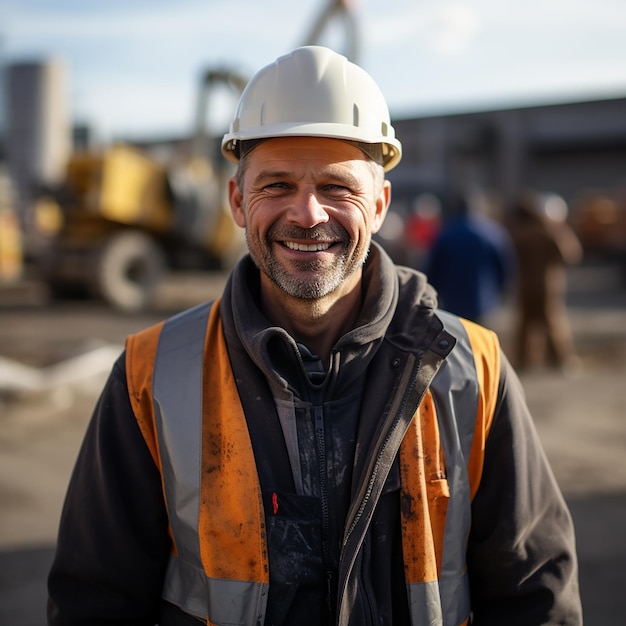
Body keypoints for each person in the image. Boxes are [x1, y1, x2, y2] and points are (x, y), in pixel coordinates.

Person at [47, 46, 582, 626]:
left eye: (337, 187)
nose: (308, 213)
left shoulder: (471, 368)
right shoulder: (150, 375)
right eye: (276, 185)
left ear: (379, 205)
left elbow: (536, 594)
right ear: (236, 201)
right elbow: (93, 601)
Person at [507, 191, 583, 371]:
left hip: (524, 286)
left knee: (524, 326)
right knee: (552, 323)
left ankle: (523, 361)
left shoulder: (519, 233)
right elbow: (569, 255)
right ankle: (559, 360)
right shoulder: (551, 232)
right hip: (547, 285)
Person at [425, 191, 514, 324]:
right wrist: (502, 291)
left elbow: (433, 269)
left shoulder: (446, 233)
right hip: (484, 300)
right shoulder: (493, 232)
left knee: (457, 339)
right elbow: (505, 267)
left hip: (452, 300)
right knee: (481, 340)